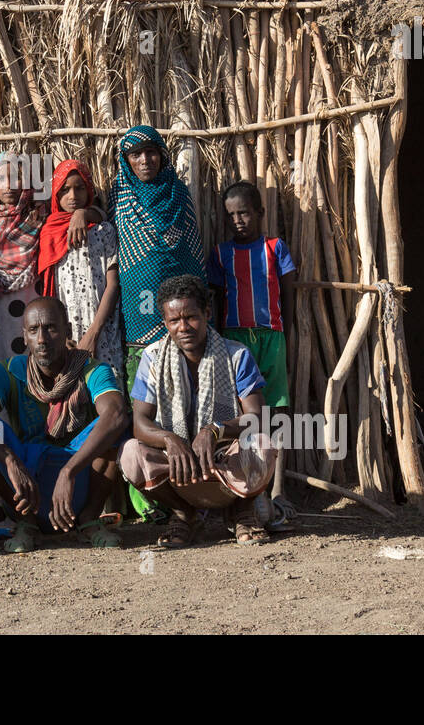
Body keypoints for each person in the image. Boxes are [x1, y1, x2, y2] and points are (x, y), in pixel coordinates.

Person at [0, 297, 129, 552]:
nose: (42, 339)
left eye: (51, 328)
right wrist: (9, 460)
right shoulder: (9, 371)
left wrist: (69, 471)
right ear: (24, 336)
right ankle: (26, 523)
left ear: (67, 331)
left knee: (115, 425)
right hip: (27, 486)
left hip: (77, 479)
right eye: (33, 330)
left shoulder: (91, 370)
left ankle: (89, 519)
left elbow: (115, 414)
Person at [122, 275, 276, 548]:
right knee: (132, 454)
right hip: (178, 466)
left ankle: (242, 512)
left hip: (224, 462)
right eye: (174, 321)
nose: (183, 327)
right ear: (165, 322)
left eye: (191, 317)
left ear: (206, 313)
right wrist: (170, 439)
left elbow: (257, 417)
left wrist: (215, 430)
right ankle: (184, 514)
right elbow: (140, 423)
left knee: (262, 444)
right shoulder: (153, 358)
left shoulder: (236, 355)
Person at [208, 181, 297, 530]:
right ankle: (241, 486)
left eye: (244, 213)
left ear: (260, 213)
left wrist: (285, 335)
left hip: (271, 337)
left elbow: (289, 296)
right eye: (231, 216)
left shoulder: (276, 248)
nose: (238, 221)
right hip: (233, 340)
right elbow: (215, 301)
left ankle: (278, 488)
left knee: (275, 410)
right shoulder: (220, 254)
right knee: (237, 411)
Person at [111, 126, 205, 389]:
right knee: (143, 388)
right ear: (126, 160)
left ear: (162, 155)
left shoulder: (179, 194)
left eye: (151, 152)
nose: (144, 160)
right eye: (136, 154)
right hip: (138, 309)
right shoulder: (119, 195)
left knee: (184, 387)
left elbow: (191, 253)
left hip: (181, 307)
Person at [38, 159, 124, 379]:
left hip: (102, 329)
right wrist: (58, 334)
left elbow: (113, 284)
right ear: (55, 195)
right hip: (66, 334)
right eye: (64, 190)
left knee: (106, 388)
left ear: (89, 190)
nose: (73, 196)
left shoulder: (103, 230)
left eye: (79, 188)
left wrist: (94, 333)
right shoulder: (50, 233)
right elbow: (49, 289)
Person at [0, 153, 47, 362]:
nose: (8, 185)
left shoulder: (39, 217)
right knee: (4, 365)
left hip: (33, 301)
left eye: (15, 177)